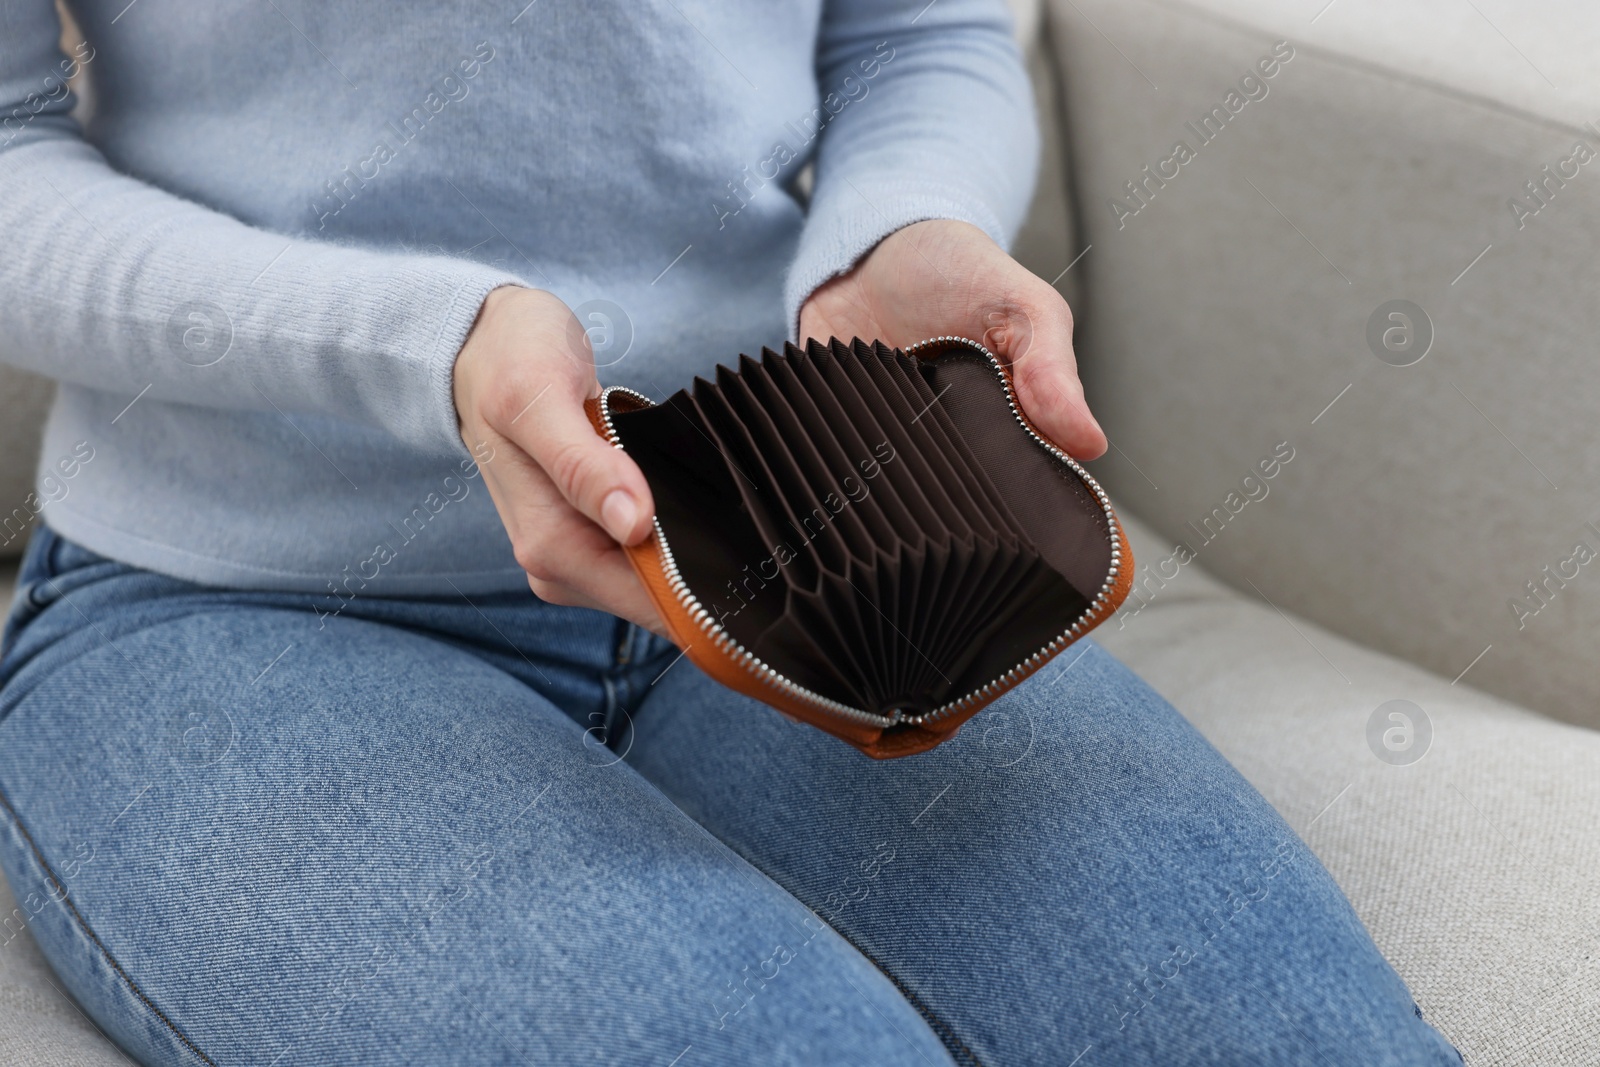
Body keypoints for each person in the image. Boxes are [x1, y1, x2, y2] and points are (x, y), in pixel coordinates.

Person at [0, 0, 1461, 1063]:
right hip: (240, 606)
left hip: (779, 543)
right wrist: (423, 342)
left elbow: (919, 32)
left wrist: (898, 228)